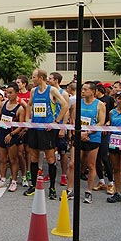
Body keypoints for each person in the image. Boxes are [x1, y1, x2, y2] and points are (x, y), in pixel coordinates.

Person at [24, 69, 68, 200]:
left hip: (47, 130)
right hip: (35, 128)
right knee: (33, 157)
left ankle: (52, 188)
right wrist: (27, 119)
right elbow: (29, 105)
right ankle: (33, 185)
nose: (32, 80)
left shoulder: (52, 90)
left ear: (41, 78)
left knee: (50, 158)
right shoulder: (33, 91)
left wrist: (56, 122)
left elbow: (65, 106)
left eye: (34, 77)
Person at [66, 81, 105, 203]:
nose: (82, 91)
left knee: (91, 165)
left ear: (93, 92)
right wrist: (77, 133)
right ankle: (70, 189)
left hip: (92, 137)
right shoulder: (78, 103)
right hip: (78, 136)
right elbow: (73, 120)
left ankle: (88, 192)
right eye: (82, 89)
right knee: (72, 163)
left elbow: (101, 122)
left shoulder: (100, 105)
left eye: (85, 89)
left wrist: (87, 133)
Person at [0, 83, 26, 192]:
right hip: (1, 133)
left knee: (13, 160)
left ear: (16, 93)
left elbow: (21, 126)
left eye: (11, 92)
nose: (8, 94)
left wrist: (11, 134)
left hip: (12, 136)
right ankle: (2, 179)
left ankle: (14, 181)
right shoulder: (3, 104)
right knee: (2, 159)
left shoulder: (20, 108)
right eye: (7, 92)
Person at [93, 83, 115, 195]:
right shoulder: (93, 102)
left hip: (105, 131)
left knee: (104, 157)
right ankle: (101, 181)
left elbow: (113, 113)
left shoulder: (109, 99)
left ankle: (111, 182)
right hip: (95, 131)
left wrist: (107, 124)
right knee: (96, 158)